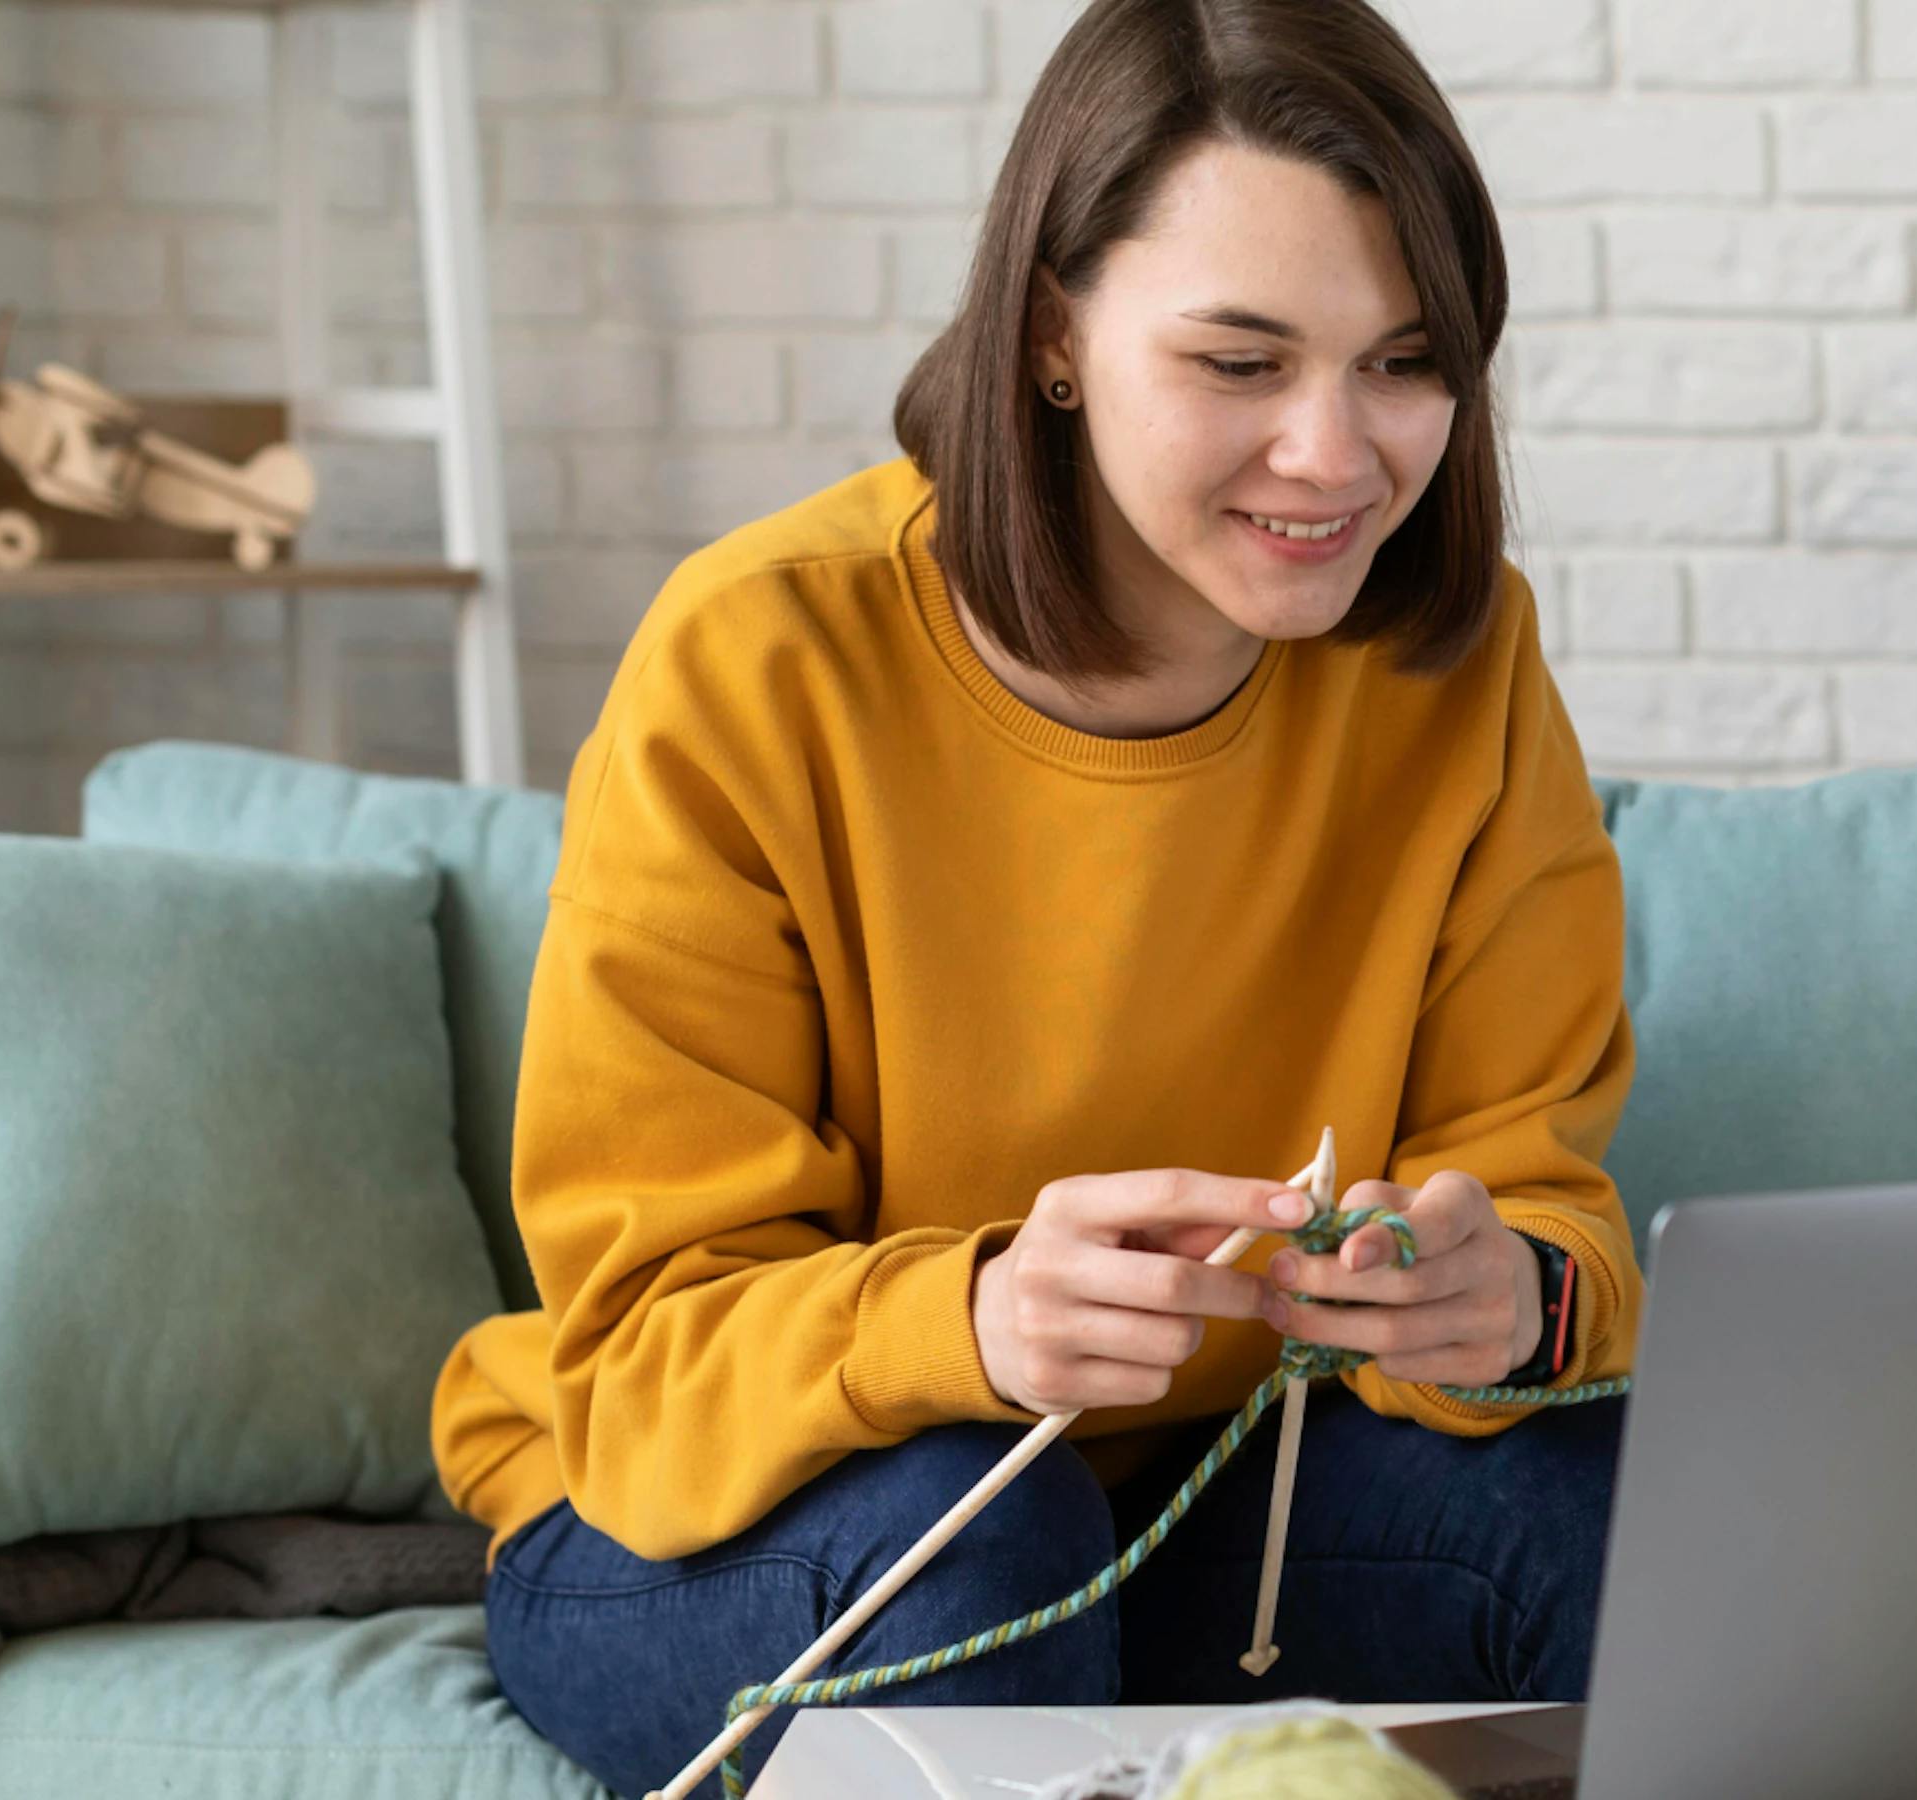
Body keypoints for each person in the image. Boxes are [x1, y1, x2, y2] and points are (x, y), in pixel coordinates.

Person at [430, 2, 1643, 1791]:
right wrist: (973, 1316)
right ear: (1056, 335)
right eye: (1241, 364)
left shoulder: (1459, 669)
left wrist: (1510, 1299)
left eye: (1402, 363)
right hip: (715, 1521)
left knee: (1620, 1499)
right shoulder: (760, 657)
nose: (1338, 455)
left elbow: (1554, 1210)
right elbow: (641, 1352)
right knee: (984, 1554)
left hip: (1212, 1526)